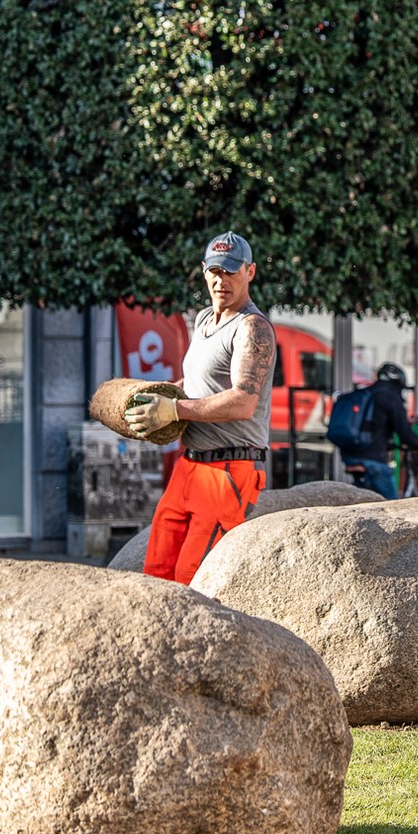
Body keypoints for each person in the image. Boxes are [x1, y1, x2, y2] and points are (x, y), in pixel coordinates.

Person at [124, 232, 275, 584]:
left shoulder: (253, 327)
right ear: (204, 271)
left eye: (232, 271)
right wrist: (158, 398)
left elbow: (243, 402)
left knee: (193, 579)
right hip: (189, 465)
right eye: (216, 271)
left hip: (230, 469)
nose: (222, 280)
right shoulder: (205, 319)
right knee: (156, 572)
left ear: (250, 272)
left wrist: (174, 411)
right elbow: (193, 384)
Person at [340, 362, 418, 499]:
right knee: (391, 506)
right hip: (372, 460)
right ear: (399, 381)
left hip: (351, 457)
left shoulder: (366, 394)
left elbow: (371, 429)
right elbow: (405, 433)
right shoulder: (390, 396)